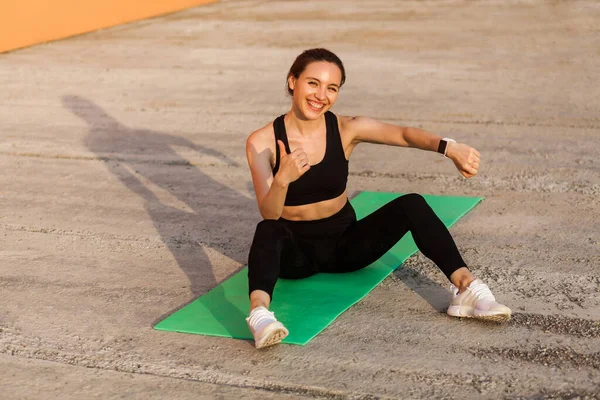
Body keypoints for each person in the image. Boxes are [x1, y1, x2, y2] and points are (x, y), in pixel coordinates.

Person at [244, 48, 511, 349]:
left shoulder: (346, 129)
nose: (321, 95)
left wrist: (450, 148)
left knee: (411, 203)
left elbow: (403, 134)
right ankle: (260, 315)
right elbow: (269, 212)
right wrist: (282, 179)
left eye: (332, 88)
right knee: (267, 230)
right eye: (313, 83)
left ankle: (466, 288)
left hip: (345, 247)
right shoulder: (262, 141)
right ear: (293, 81)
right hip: (294, 256)